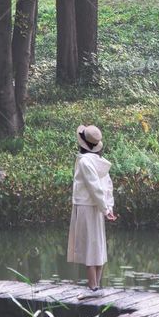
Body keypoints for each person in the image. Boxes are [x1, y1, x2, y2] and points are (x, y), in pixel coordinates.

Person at [67, 123, 116, 290]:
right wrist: (107, 207)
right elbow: (107, 186)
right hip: (97, 207)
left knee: (90, 246)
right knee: (98, 245)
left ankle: (93, 285)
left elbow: (94, 186)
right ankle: (96, 285)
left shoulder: (84, 162)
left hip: (86, 206)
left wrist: (105, 208)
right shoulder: (99, 162)